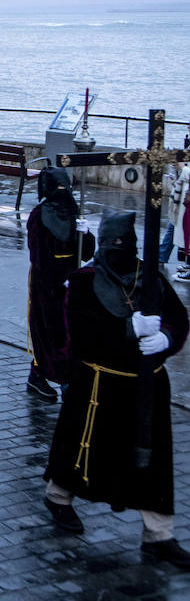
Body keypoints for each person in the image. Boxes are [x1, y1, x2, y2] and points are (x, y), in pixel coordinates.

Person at [42, 210, 190, 569]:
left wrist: (165, 338)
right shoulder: (82, 281)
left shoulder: (151, 275)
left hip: (147, 387)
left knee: (153, 462)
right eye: (113, 245)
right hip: (98, 384)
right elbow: (81, 335)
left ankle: (159, 535)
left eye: (125, 246)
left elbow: (178, 319)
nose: (119, 251)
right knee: (84, 449)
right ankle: (59, 496)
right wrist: (128, 329)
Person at [24, 167, 94, 401]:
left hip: (71, 281)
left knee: (70, 332)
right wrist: (57, 278)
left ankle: (58, 376)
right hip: (47, 283)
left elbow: (86, 253)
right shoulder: (38, 215)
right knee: (50, 330)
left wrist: (86, 234)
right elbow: (38, 254)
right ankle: (51, 376)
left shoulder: (74, 213)